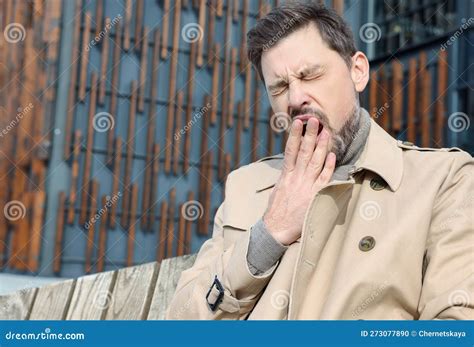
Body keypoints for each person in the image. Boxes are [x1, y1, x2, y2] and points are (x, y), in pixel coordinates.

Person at [166, 1, 473, 320]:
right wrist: (270, 232)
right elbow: (181, 321)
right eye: (281, 87)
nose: (296, 98)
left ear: (358, 71)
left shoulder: (444, 180)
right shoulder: (245, 184)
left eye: (309, 75)